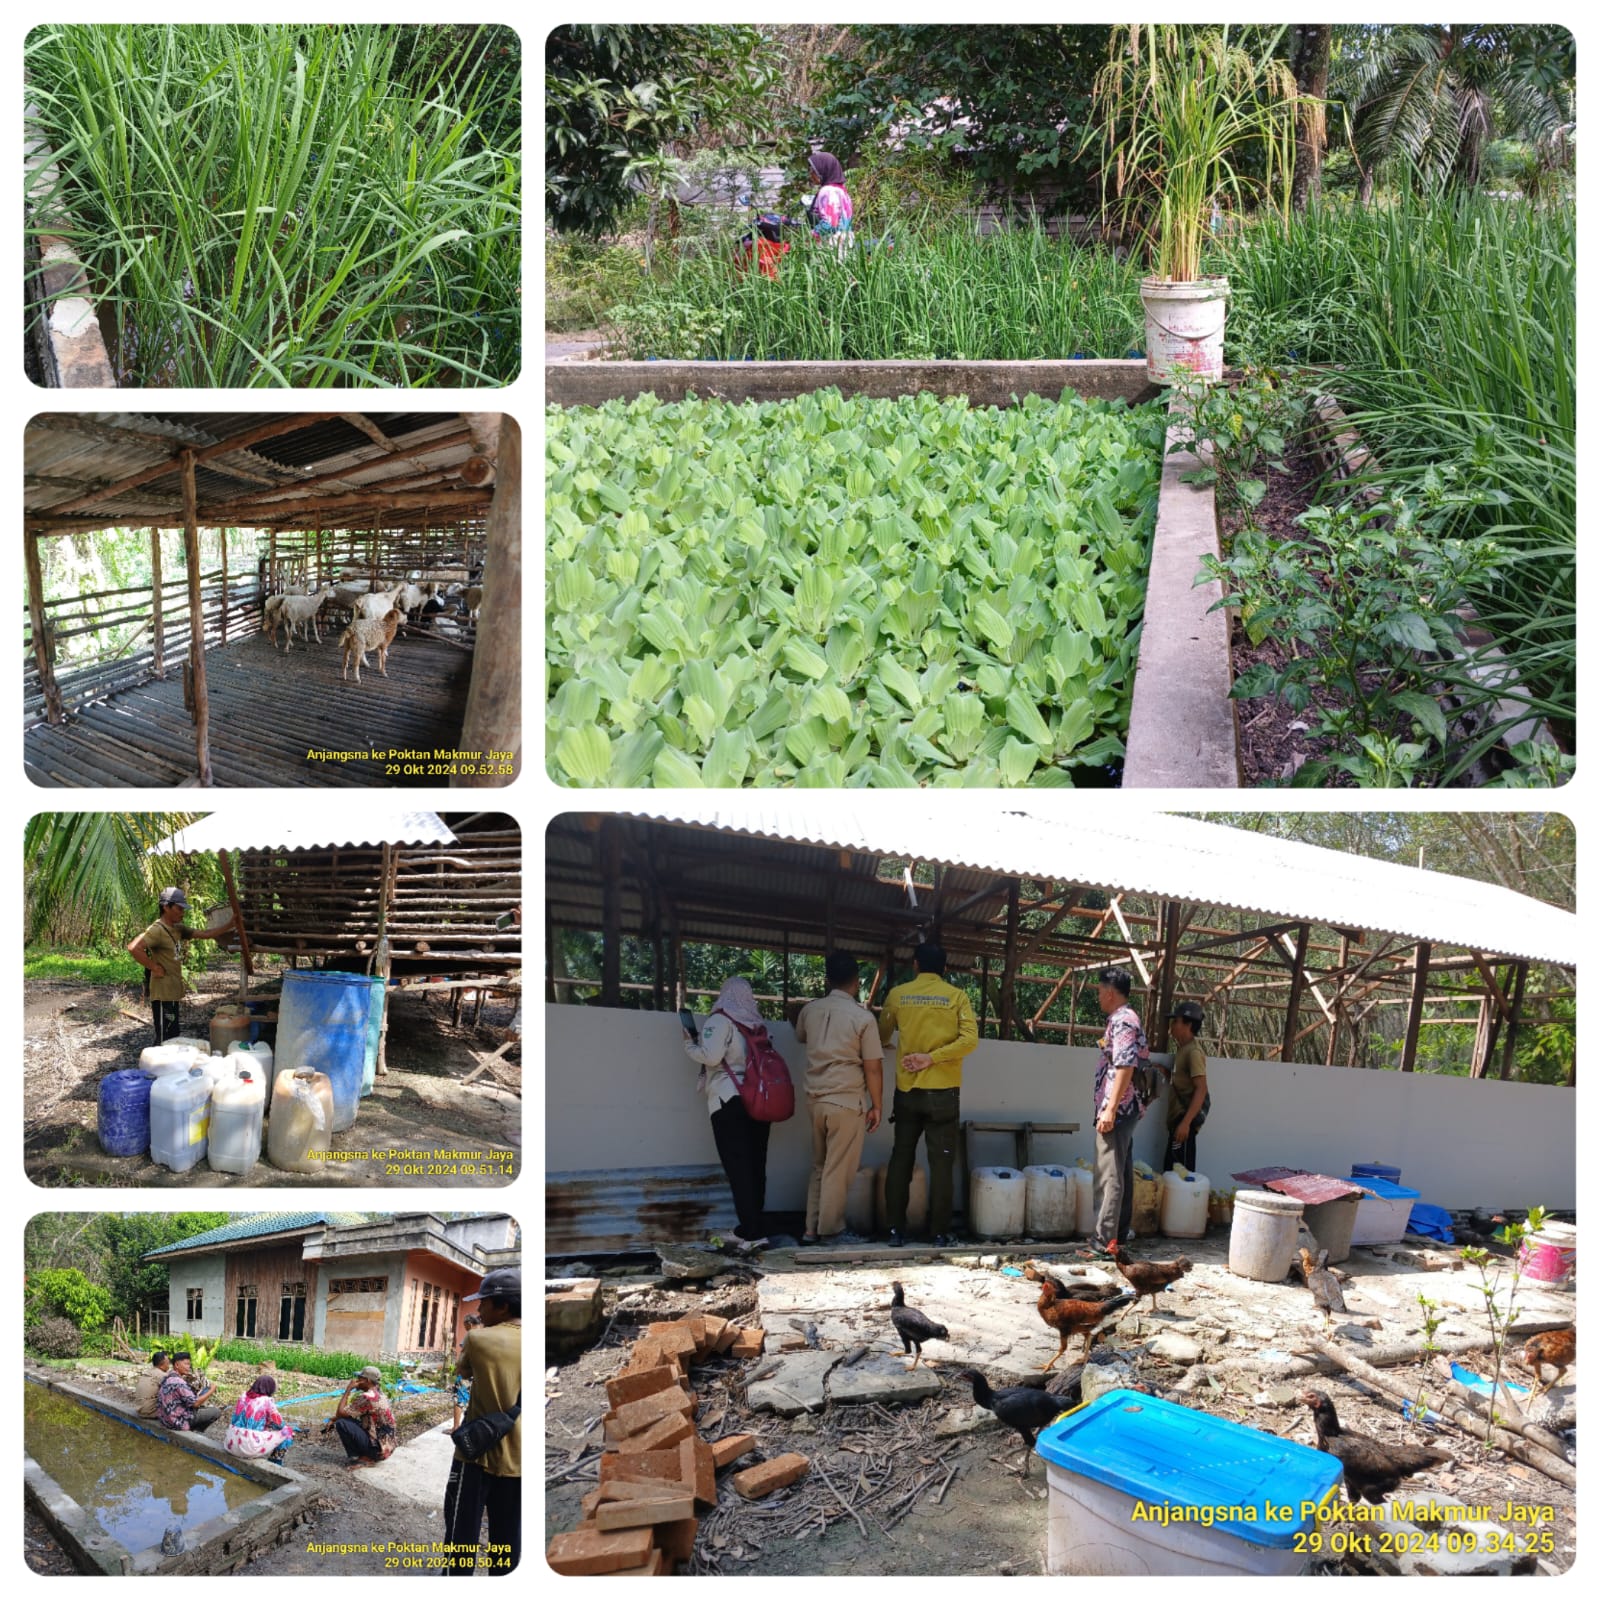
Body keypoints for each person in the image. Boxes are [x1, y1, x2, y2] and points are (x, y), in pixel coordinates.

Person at [877, 943, 979, 1248]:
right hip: (943, 1093)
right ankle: (938, 1233)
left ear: (916, 965)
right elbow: (970, 1041)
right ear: (945, 969)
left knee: (901, 1158)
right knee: (942, 1164)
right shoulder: (957, 997)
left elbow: (882, 1035)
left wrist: (911, 1053)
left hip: (907, 1092)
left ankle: (895, 1231)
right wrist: (932, 1058)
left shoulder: (898, 995)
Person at [795, 951, 884, 1246]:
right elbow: (873, 1067)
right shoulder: (863, 1018)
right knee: (838, 1169)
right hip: (846, 1101)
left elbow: (800, 1036)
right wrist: (877, 1105)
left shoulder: (810, 1011)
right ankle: (831, 1231)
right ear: (857, 982)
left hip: (815, 1099)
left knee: (820, 1166)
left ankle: (811, 1229)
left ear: (827, 980)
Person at [682, 977, 772, 1249]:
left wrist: (689, 1044)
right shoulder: (757, 1023)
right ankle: (752, 1228)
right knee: (755, 1166)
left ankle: (752, 1235)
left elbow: (710, 1057)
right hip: (759, 1099)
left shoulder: (720, 1020)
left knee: (738, 1168)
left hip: (729, 1099)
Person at [444, 1267, 521, 1576]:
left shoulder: (478, 1339)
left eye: (484, 1302)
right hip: (519, 1462)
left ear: (503, 1306)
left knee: (461, 1534)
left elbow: (462, 1371)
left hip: (476, 1455)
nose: (479, 1310)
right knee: (507, 1538)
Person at [126, 887, 235, 1046]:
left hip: (172, 993)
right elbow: (133, 948)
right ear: (166, 907)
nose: (182, 912)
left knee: (173, 1036)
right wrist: (154, 967)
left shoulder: (178, 929)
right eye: (179, 908)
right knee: (164, 1039)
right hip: (163, 995)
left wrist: (230, 925)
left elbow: (205, 934)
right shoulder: (157, 930)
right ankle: (156, 1061)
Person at [1089, 967, 1147, 1258]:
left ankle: (1104, 1242)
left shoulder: (1123, 1020)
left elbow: (1125, 1065)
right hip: (1126, 1107)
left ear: (1110, 992)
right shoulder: (1125, 1019)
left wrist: (1110, 1109)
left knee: (1108, 1175)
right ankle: (1118, 1238)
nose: (1098, 997)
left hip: (1119, 1108)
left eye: (1100, 991)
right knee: (1120, 1172)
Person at [1164, 1000, 1212, 1173]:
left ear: (1188, 1025)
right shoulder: (1183, 1049)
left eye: (1175, 1021)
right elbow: (1183, 1081)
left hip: (1184, 1120)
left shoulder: (1193, 1052)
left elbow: (1201, 1088)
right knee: (1172, 1171)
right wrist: (1164, 1072)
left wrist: (1185, 1123)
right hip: (1179, 1120)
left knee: (1180, 1174)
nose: (1171, 1026)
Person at [331, 1366, 396, 1469]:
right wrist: (333, 1419)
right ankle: (367, 1455)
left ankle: (366, 1458)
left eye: (360, 1378)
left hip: (377, 1450)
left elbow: (340, 1413)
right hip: (387, 1446)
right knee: (344, 1419)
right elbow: (351, 1413)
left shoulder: (367, 1397)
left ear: (368, 1381)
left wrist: (348, 1390)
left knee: (342, 1423)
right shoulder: (380, 1393)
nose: (356, 1381)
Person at [223, 1374, 295, 1464]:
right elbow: (279, 1424)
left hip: (230, 1443)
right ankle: (275, 1462)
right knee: (288, 1432)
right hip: (248, 1447)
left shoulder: (243, 1396)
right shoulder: (267, 1401)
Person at [156, 1352, 222, 1433]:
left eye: (189, 1364)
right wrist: (212, 1390)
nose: (189, 1367)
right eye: (186, 1364)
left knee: (203, 1393)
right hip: (177, 1421)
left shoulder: (167, 1377)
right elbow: (195, 1403)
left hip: (165, 1419)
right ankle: (195, 1429)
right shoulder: (179, 1382)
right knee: (216, 1412)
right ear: (177, 1365)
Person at [806, 151, 853, 247]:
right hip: (846, 241)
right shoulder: (841, 190)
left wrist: (811, 235)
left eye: (814, 170)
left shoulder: (827, 191)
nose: (811, 174)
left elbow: (830, 223)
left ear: (823, 170)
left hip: (831, 244)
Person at [452, 1314, 483, 1431]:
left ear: (469, 1324)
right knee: (473, 1400)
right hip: (477, 1373)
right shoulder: (484, 1334)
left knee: (459, 1397)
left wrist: (458, 1369)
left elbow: (464, 1355)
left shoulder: (470, 1335)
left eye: (464, 1325)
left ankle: (456, 1427)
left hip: (466, 1372)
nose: (464, 1327)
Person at [135, 1350, 170, 1419]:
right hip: (151, 1412)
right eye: (168, 1363)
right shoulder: (162, 1375)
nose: (169, 1366)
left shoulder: (148, 1372)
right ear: (162, 1364)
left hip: (139, 1410)